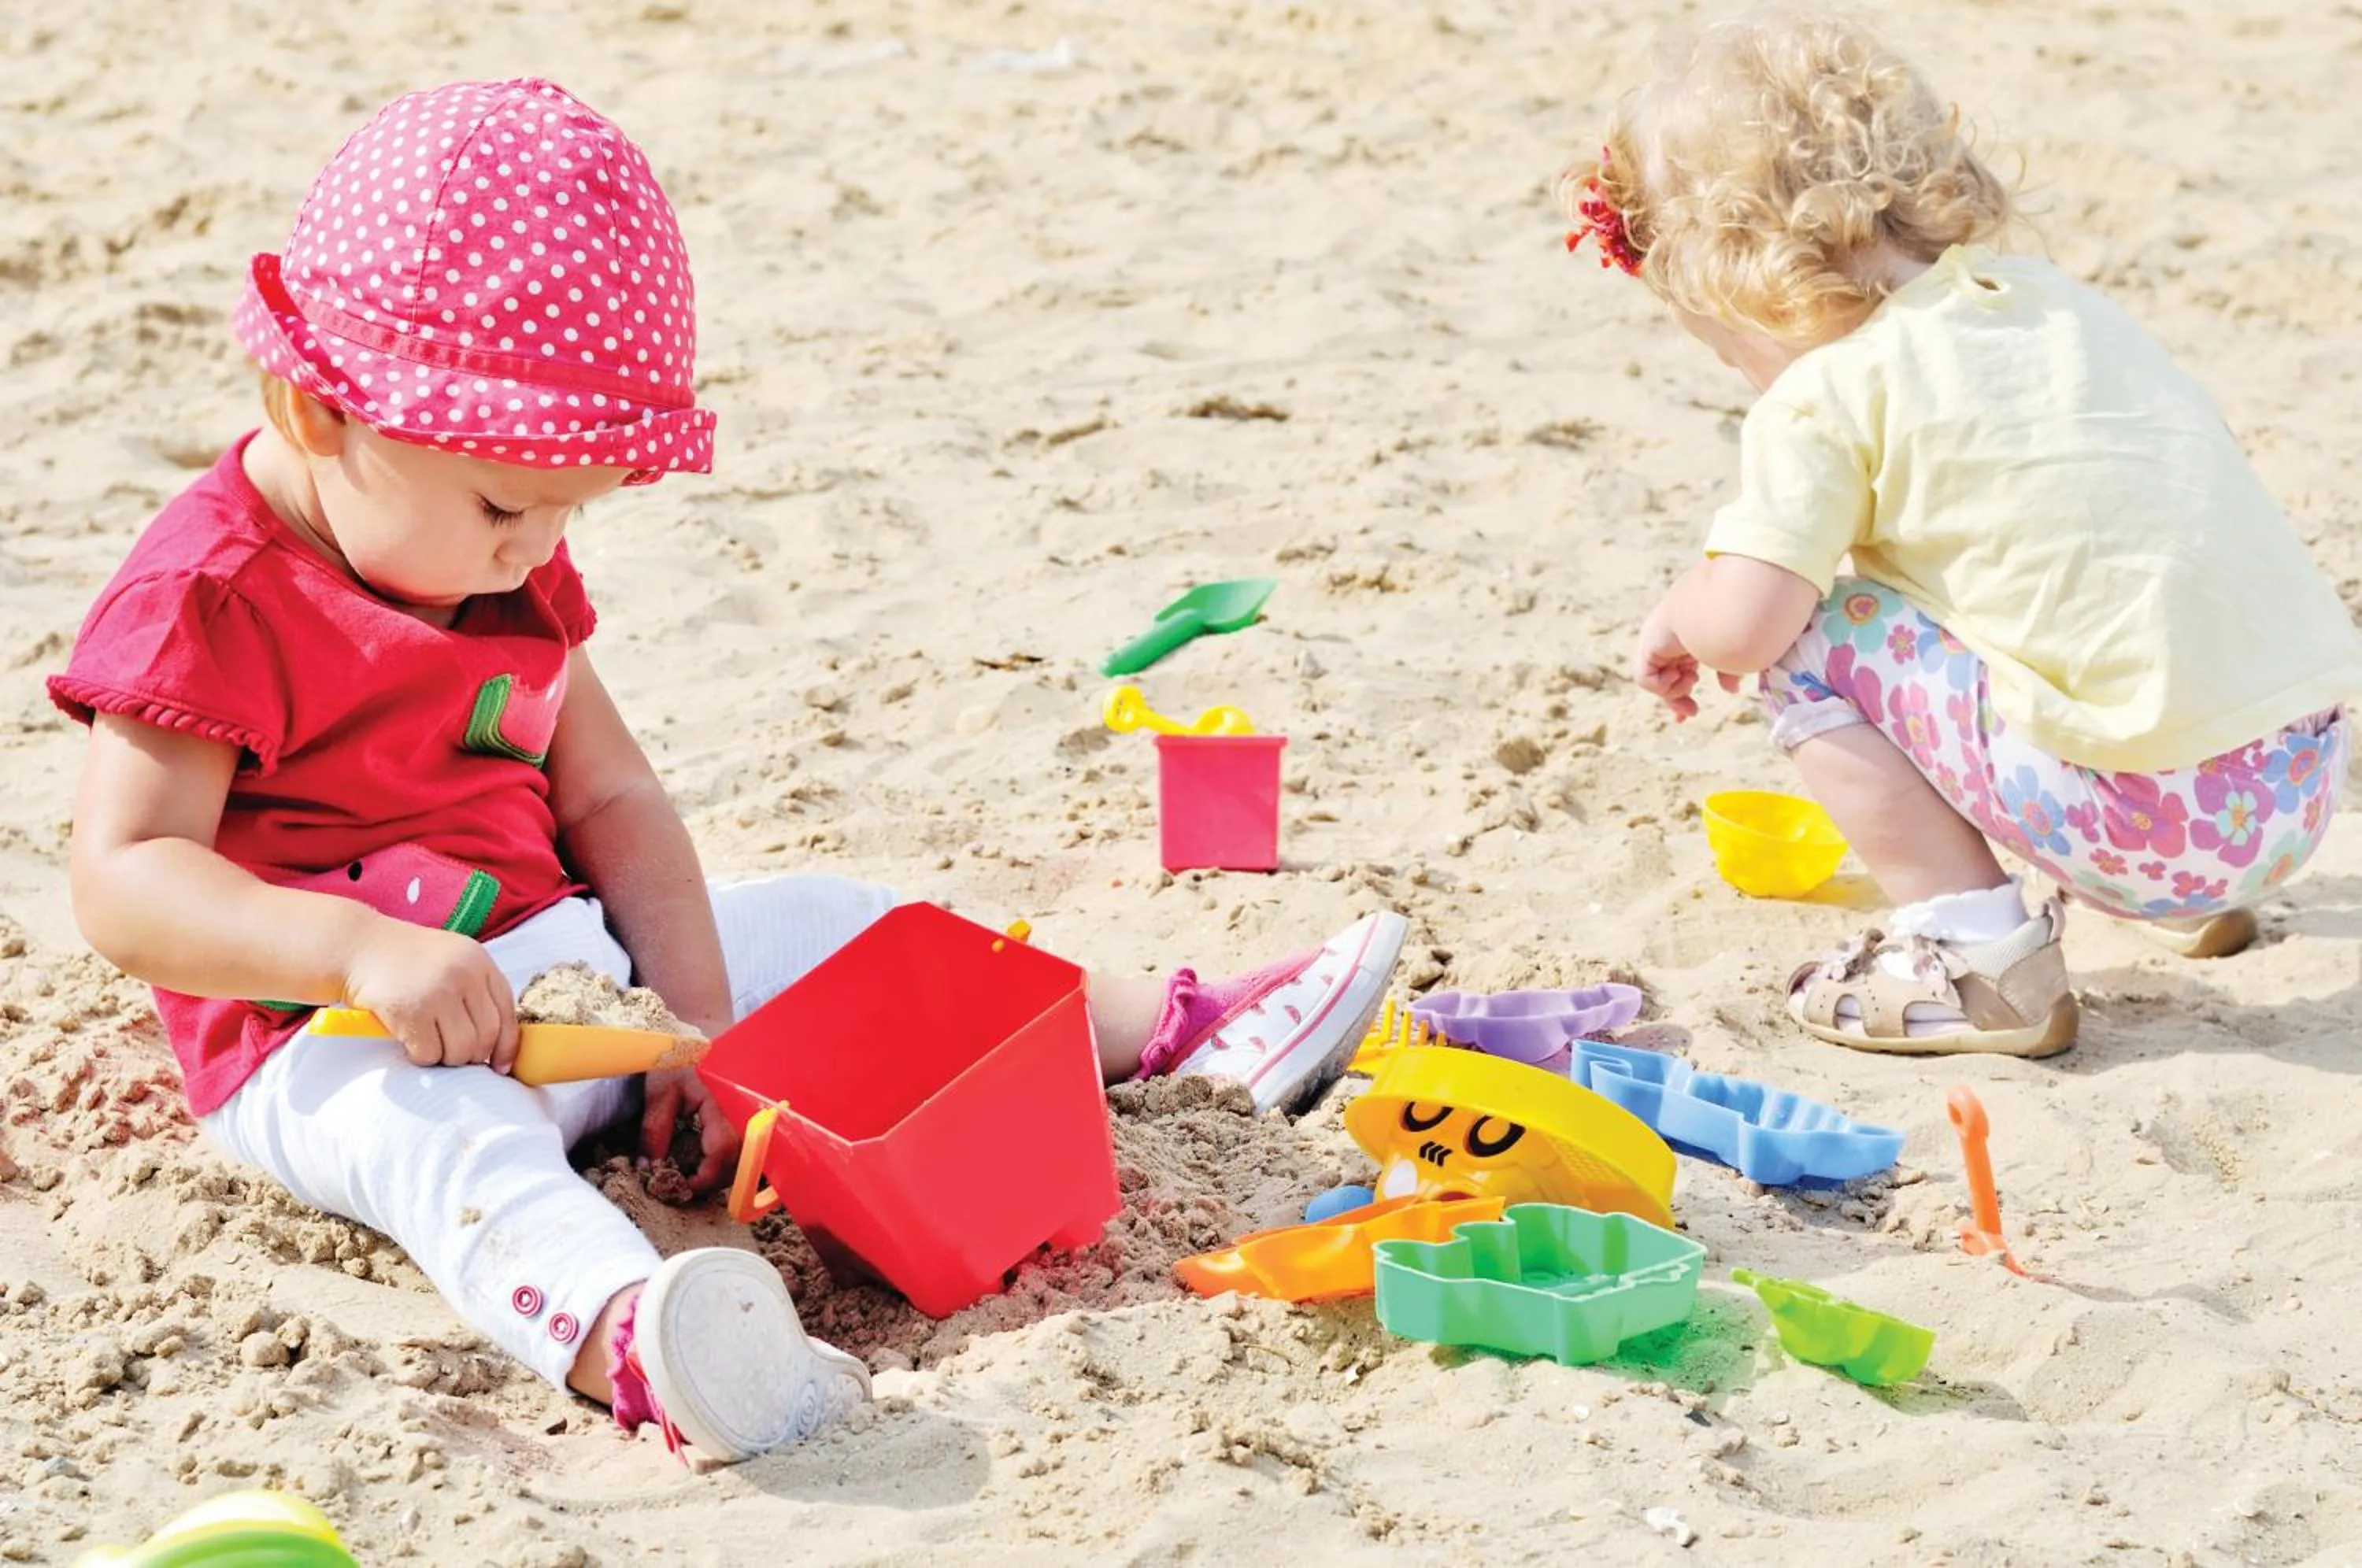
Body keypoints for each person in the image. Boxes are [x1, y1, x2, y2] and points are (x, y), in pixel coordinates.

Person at [49, 78, 1405, 1464]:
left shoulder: (500, 562)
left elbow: (611, 798)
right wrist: (354, 953)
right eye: (507, 507)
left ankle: (1167, 1029)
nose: (535, 550)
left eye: (569, 511)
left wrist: (699, 1025)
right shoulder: (206, 597)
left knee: (840, 922)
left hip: (573, 979)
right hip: (336, 1036)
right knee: (451, 1150)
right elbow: (125, 880)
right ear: (316, 409)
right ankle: (644, 1339)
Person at [1564, 9, 2362, 1057]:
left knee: (1817, 638)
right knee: (2039, 588)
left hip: (2148, 827)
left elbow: (1749, 626)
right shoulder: (2055, 307)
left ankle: (1982, 957)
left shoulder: (1826, 395)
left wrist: (1686, 606)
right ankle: (2190, 905)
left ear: (1734, 279)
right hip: (2293, 784)